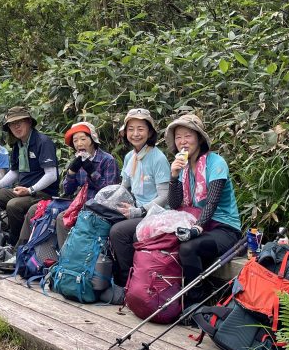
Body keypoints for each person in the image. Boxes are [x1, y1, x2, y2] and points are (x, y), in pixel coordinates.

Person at [165, 114, 244, 307]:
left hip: (223, 228)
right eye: (178, 137)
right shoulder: (182, 166)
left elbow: (212, 203)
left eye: (188, 136)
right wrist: (174, 175)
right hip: (196, 224)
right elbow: (175, 204)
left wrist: (198, 228)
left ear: (199, 138)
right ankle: (168, 297)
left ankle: (197, 303)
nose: (182, 142)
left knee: (188, 247)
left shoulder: (215, 163)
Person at [18, 121, 119, 246]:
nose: (79, 143)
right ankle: (22, 250)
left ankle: (66, 259)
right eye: (75, 141)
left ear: (92, 140)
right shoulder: (79, 160)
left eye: (83, 139)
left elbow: (110, 193)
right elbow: (68, 191)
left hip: (98, 207)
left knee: (62, 217)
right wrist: (72, 171)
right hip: (79, 203)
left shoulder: (107, 160)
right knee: (36, 208)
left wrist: (93, 172)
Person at [108, 109, 173, 281]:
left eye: (141, 129)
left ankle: (128, 278)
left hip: (157, 213)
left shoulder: (157, 158)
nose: (135, 134)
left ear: (150, 132)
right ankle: (108, 274)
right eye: (131, 129)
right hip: (135, 209)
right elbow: (124, 188)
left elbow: (164, 196)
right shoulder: (131, 156)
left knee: (118, 232)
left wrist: (140, 211)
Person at [0, 106, 59, 244]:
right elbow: (15, 171)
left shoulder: (43, 142)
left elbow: (52, 175)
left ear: (29, 121)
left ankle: (17, 244)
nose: (16, 126)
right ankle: (5, 233)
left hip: (43, 193)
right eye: (12, 124)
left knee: (13, 206)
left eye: (20, 122)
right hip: (23, 191)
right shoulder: (17, 144)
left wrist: (30, 190)